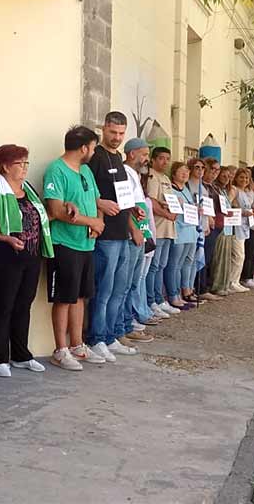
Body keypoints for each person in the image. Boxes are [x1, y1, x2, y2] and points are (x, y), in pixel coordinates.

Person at [0, 145, 49, 377]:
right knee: (3, 307)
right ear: (5, 166)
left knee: (23, 306)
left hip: (31, 257)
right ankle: (0, 358)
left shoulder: (28, 190)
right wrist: (4, 238)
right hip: (3, 259)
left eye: (26, 163)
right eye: (20, 163)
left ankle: (21, 355)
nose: (25, 168)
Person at [43, 126, 106, 370]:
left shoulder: (86, 171)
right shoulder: (55, 170)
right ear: (83, 148)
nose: (93, 152)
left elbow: (95, 200)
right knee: (64, 297)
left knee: (80, 295)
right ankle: (60, 349)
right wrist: (92, 221)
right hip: (64, 243)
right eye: (92, 147)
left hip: (86, 243)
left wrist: (97, 223)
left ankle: (77, 344)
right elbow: (57, 210)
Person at [86, 111, 139, 358]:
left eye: (121, 134)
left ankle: (111, 335)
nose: (116, 138)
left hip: (122, 233)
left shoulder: (118, 158)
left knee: (120, 288)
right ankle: (96, 338)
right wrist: (99, 204)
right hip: (105, 234)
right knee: (103, 289)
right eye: (112, 132)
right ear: (104, 129)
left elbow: (121, 194)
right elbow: (86, 191)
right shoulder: (95, 157)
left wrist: (133, 209)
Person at [118, 139, 156, 343]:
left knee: (133, 282)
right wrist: (135, 230)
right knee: (127, 283)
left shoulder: (135, 174)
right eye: (143, 154)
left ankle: (128, 321)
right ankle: (125, 324)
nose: (146, 159)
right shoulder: (124, 171)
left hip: (140, 232)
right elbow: (125, 204)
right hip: (132, 234)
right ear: (132, 154)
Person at [144, 147, 180, 317]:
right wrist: (167, 214)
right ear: (153, 160)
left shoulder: (165, 178)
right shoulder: (151, 176)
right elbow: (151, 202)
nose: (165, 162)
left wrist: (174, 211)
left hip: (168, 229)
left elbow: (170, 201)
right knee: (154, 266)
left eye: (168, 158)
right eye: (161, 158)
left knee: (162, 266)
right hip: (157, 228)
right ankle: (151, 301)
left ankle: (159, 299)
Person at [163, 162, 199, 309]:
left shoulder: (186, 190)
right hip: (179, 230)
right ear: (174, 173)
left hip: (190, 230)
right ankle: (173, 294)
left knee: (187, 263)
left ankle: (184, 290)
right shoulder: (171, 189)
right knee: (174, 265)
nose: (185, 174)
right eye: (181, 171)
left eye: (186, 172)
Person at [194, 157, 223, 302]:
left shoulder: (215, 187)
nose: (215, 173)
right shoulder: (200, 186)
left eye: (218, 170)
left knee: (210, 257)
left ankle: (207, 285)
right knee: (202, 256)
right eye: (212, 169)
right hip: (206, 225)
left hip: (217, 225)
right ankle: (201, 287)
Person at [210, 165, 237, 296]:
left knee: (226, 257)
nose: (226, 178)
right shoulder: (215, 189)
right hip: (219, 225)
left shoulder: (225, 191)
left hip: (228, 226)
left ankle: (224, 283)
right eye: (224, 176)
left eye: (228, 176)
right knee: (218, 258)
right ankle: (217, 285)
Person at [229, 168, 253, 292]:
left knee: (241, 256)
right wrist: (241, 211)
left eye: (246, 178)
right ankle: (231, 281)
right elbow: (228, 205)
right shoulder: (234, 190)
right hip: (236, 226)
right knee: (237, 255)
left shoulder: (245, 192)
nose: (244, 180)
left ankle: (236, 280)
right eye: (241, 177)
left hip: (244, 227)